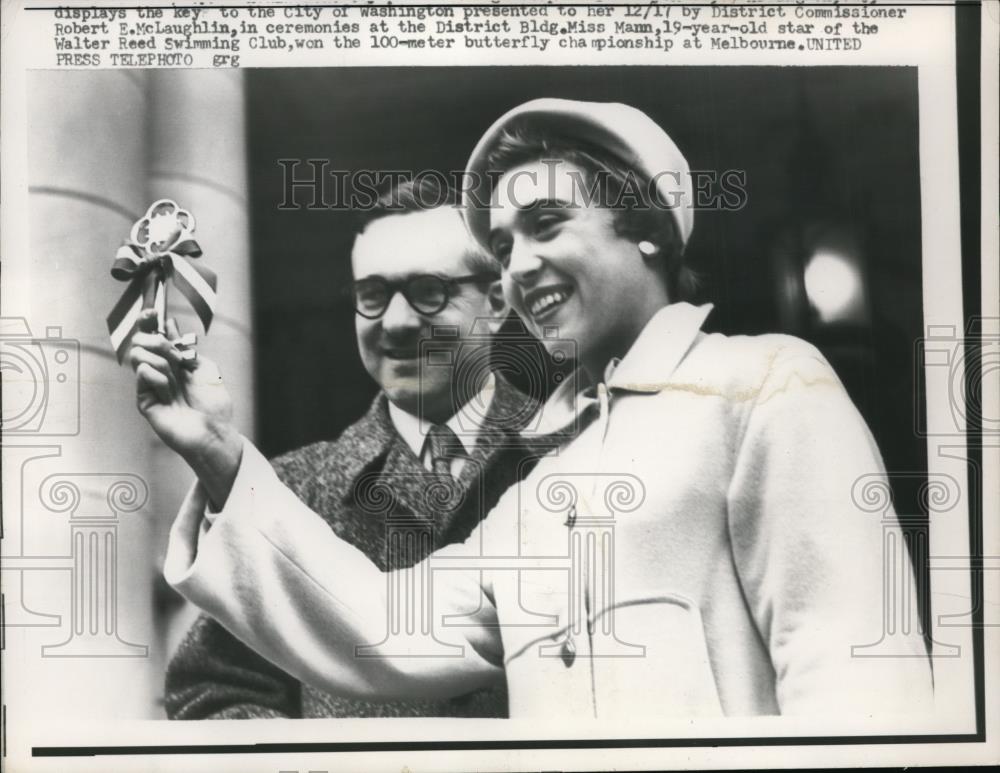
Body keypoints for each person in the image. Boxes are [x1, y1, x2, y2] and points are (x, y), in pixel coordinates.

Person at [150, 99, 933, 718]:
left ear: (648, 229)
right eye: (503, 244)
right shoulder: (537, 482)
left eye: (546, 225)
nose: (520, 266)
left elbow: (857, 671)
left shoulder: (763, 385)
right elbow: (381, 624)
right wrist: (218, 449)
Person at [137, 177, 542, 718]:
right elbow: (214, 692)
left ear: (497, 302)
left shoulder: (577, 454)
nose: (395, 323)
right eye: (372, 296)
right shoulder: (289, 488)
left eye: (428, 291)